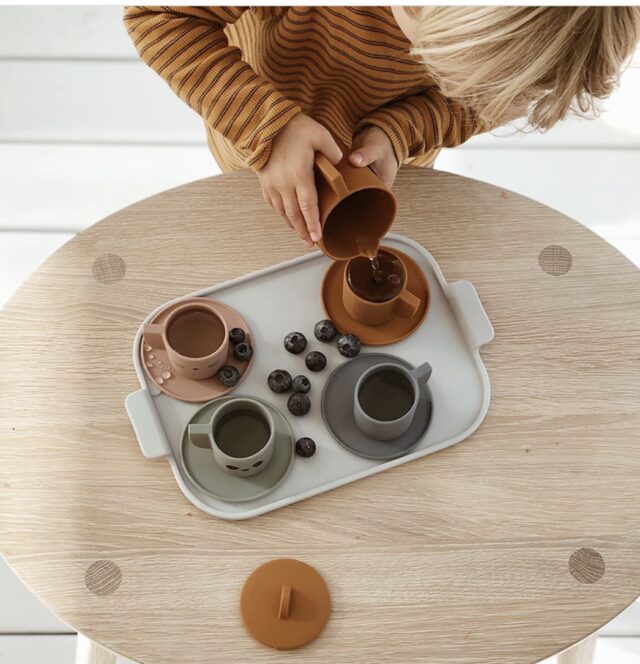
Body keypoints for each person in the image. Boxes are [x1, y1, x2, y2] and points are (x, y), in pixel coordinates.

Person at [124, 6, 640, 248]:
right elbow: (156, 16)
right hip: (256, 143)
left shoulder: (526, 52)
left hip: (391, 168)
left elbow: (474, 106)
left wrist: (403, 129)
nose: (424, 63)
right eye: (428, 47)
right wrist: (269, 128)